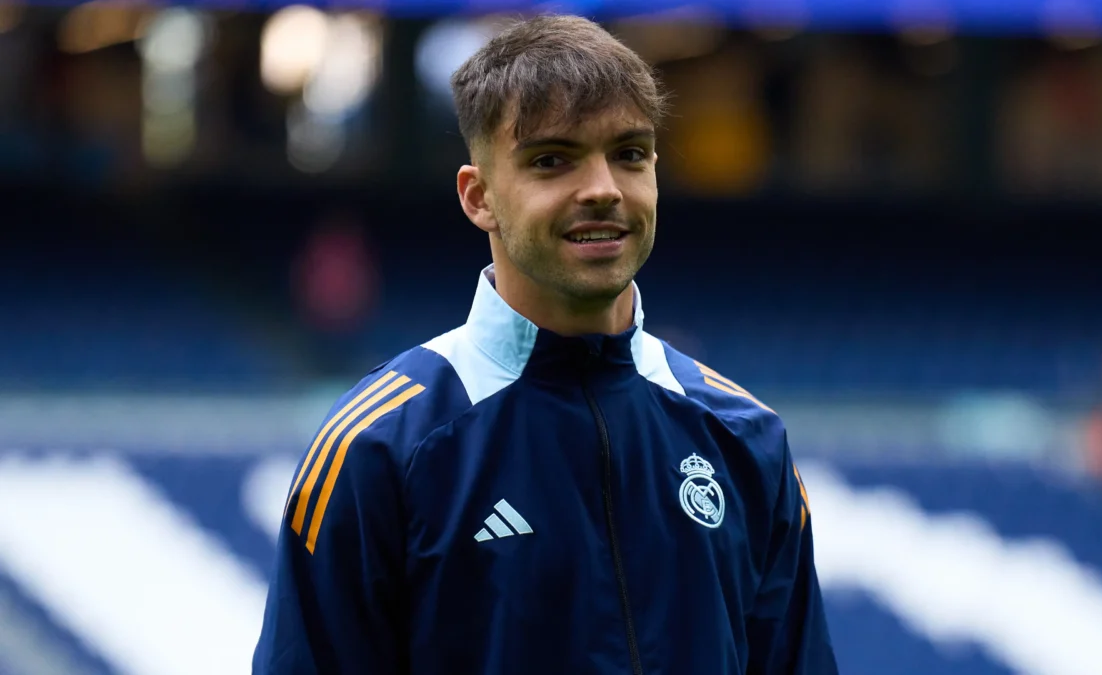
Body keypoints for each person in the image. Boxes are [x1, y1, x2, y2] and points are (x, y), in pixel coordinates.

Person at [253, 14, 838, 675]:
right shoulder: (380, 448)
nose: (603, 190)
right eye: (552, 160)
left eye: (630, 154)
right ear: (479, 197)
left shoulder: (746, 438)